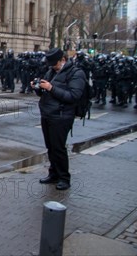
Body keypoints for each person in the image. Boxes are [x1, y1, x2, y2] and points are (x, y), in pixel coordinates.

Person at [32, 48, 86, 191]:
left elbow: (73, 96)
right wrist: (38, 87)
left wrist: (51, 87)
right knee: (50, 147)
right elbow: (44, 93)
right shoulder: (51, 72)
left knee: (58, 148)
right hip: (48, 114)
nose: (52, 66)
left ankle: (64, 178)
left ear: (63, 60)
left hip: (62, 116)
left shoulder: (76, 73)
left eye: (54, 63)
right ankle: (53, 174)